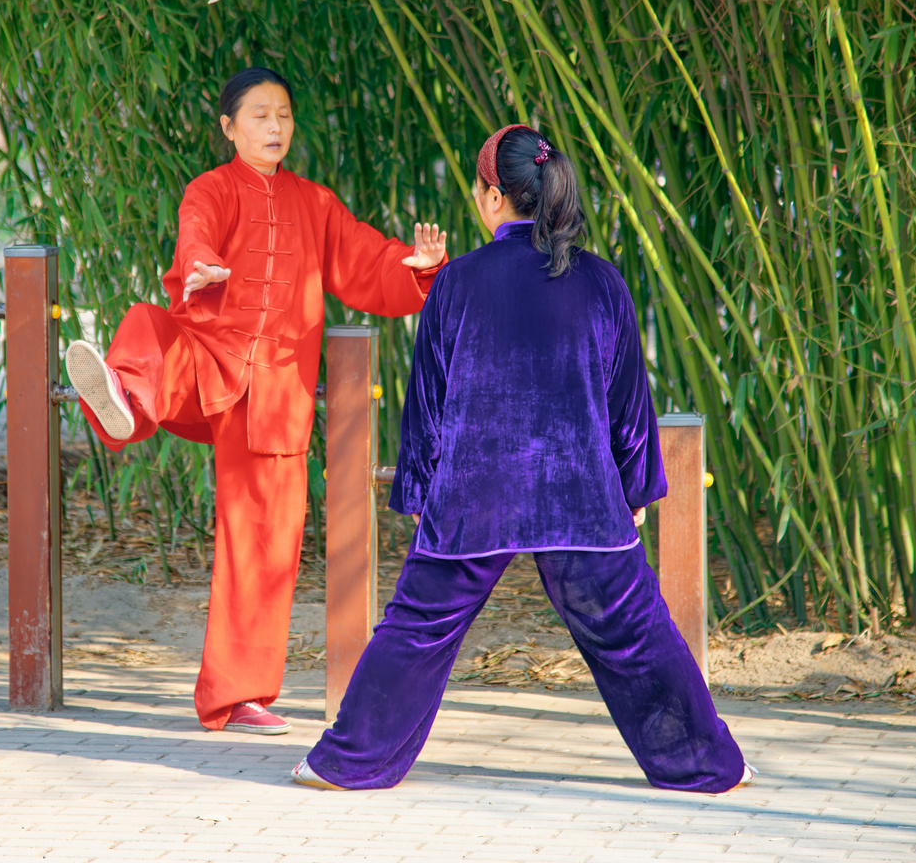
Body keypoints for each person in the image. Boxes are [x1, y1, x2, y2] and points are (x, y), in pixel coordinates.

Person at [293, 124, 750, 793]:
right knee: (636, 630)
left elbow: (428, 402)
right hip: (582, 498)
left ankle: (348, 763)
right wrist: (633, 492)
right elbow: (629, 402)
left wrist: (421, 494)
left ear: (492, 198)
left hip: (474, 496)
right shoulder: (600, 280)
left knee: (417, 628)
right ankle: (709, 766)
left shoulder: (457, 284)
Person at [64, 66, 448, 734]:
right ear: (229, 127)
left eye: (285, 116)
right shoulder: (210, 189)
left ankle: (238, 694)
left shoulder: (315, 202)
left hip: (274, 392)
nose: (276, 127)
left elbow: (363, 261)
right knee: (146, 324)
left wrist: (412, 266)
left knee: (265, 541)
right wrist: (203, 269)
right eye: (261, 115)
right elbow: (196, 241)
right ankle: (124, 395)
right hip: (208, 357)